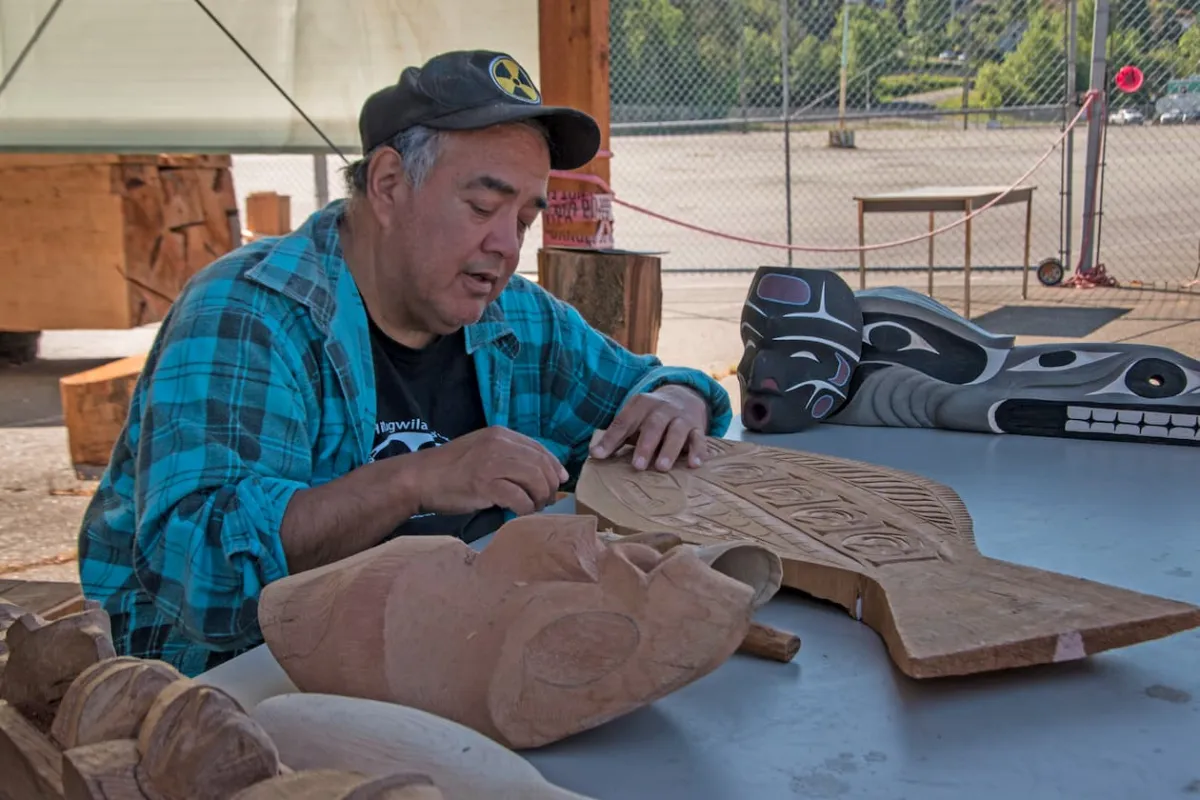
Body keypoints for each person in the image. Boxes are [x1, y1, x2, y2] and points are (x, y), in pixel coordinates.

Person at [76, 49, 732, 677]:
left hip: (445, 640)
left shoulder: (514, 316)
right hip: (237, 682)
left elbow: (650, 387)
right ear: (388, 185)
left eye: (525, 218)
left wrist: (678, 401)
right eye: (482, 205)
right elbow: (202, 578)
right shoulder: (248, 315)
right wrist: (413, 481)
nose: (505, 246)